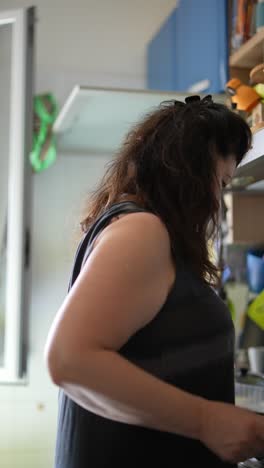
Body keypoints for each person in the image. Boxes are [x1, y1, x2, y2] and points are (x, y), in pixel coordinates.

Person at [44, 94, 264, 468]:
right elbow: (69, 360)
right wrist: (207, 421)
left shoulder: (141, 231)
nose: (220, 201)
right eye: (222, 181)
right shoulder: (143, 231)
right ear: (191, 170)